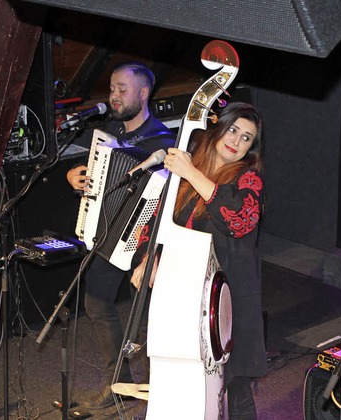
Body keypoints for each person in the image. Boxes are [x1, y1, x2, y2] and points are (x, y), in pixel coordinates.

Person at [130, 102, 268, 419]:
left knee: (237, 393)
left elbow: (237, 219)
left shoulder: (249, 179)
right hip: (183, 293)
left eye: (247, 138)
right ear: (218, 128)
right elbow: (155, 225)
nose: (236, 140)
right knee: (180, 383)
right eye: (233, 129)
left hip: (228, 299)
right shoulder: (184, 175)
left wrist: (190, 172)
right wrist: (148, 259)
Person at [66, 61, 176, 410]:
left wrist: (154, 251)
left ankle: (168, 384)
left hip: (149, 239)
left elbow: (169, 199)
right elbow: (99, 183)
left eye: (122, 89)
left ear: (143, 94)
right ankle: (120, 382)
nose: (113, 95)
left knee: (154, 314)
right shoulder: (112, 136)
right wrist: (75, 177)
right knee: (96, 299)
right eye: (112, 88)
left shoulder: (162, 141)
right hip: (113, 233)